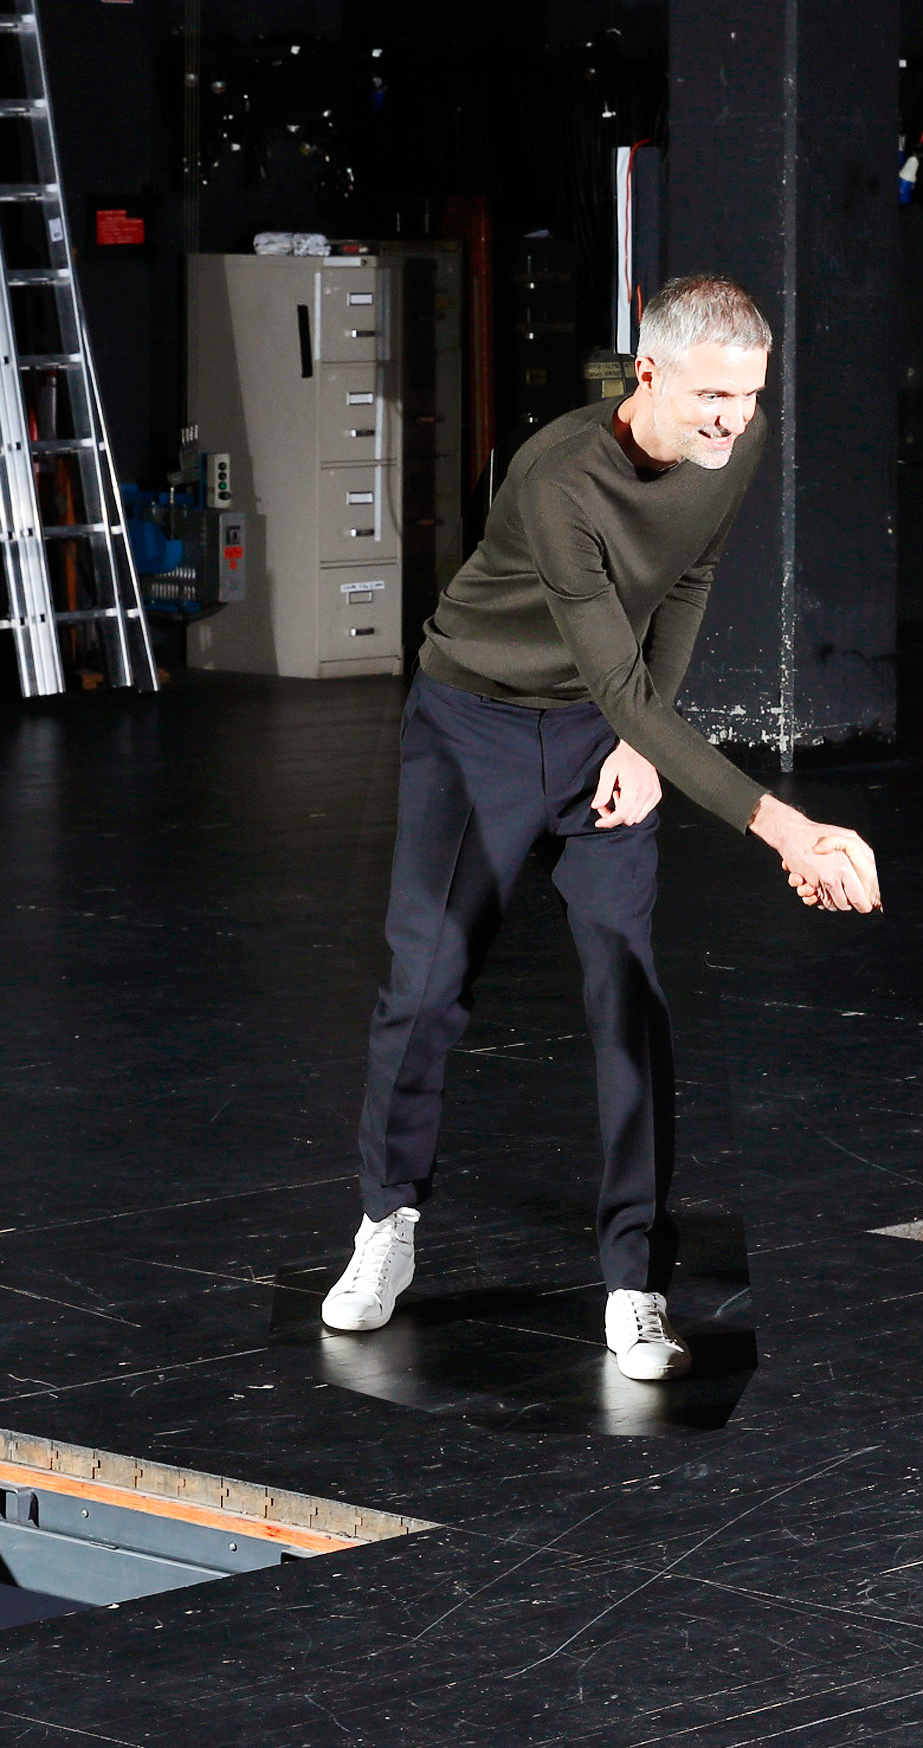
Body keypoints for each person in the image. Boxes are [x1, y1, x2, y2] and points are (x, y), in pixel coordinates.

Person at [318, 275, 881, 1380]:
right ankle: (387, 1222)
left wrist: (639, 743)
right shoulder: (559, 478)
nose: (733, 418)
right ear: (648, 373)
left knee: (628, 990)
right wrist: (783, 826)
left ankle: (635, 1280)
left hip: (600, 733)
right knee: (426, 987)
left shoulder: (735, 446)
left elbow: (687, 582)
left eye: (749, 395)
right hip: (473, 725)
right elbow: (618, 679)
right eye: (711, 395)